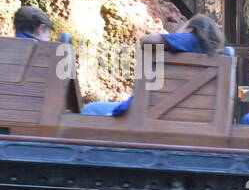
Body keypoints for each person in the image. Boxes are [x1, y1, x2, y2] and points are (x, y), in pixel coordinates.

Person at [84, 14, 230, 117]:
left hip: (148, 114)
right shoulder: (213, 57)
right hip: (183, 116)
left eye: (181, 26)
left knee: (89, 110)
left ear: (190, 29)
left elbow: (147, 40)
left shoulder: (188, 40)